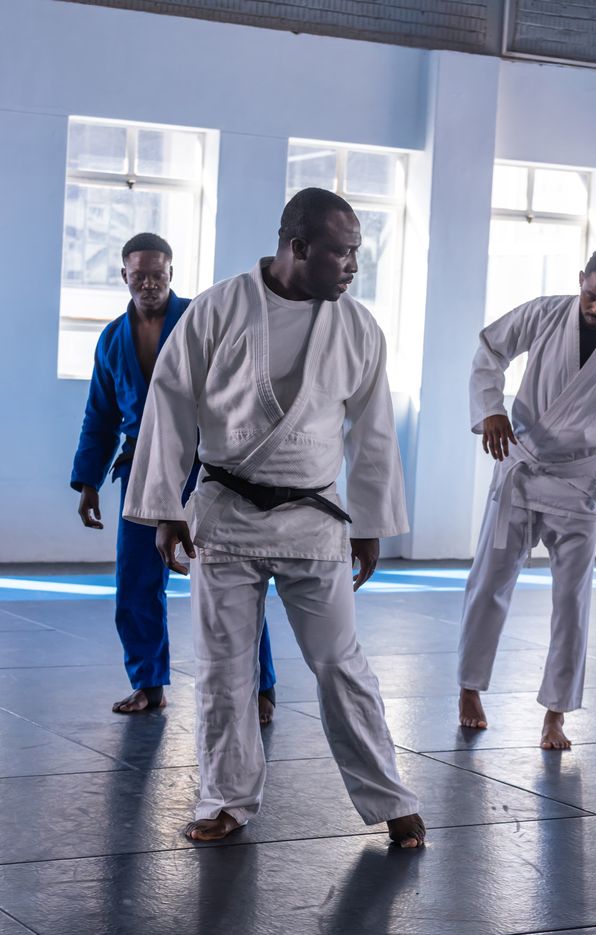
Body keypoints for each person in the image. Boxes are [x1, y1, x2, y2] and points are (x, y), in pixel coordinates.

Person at [123, 189, 425, 848]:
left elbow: (372, 431)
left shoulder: (357, 326)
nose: (352, 265)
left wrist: (369, 521)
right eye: (341, 252)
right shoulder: (219, 309)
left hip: (316, 517)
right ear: (297, 247)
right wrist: (164, 508)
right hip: (226, 513)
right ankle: (226, 799)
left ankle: (388, 794)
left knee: (340, 662)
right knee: (225, 668)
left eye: (357, 252)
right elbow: (169, 405)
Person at [458, 241, 596, 750]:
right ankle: (468, 688)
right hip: (522, 468)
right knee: (489, 583)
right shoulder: (546, 314)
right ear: (581, 279)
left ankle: (556, 713)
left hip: (579, 480)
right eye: (591, 296)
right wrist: (491, 408)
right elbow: (490, 350)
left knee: (572, 600)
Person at [71, 233, 277, 721]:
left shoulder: (197, 319)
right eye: (138, 275)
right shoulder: (111, 339)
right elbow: (99, 415)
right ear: (124, 275)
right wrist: (88, 481)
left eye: (157, 275)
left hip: (204, 467)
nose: (148, 283)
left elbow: (238, 393)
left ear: (171, 273)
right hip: (141, 472)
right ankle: (147, 683)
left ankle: (261, 685)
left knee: (232, 578)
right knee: (136, 583)